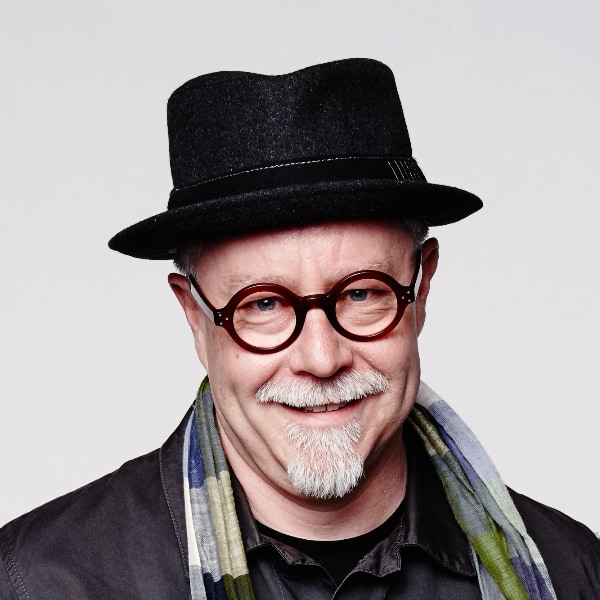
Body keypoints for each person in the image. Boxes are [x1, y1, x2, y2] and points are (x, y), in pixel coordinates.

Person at [1, 58, 598, 600]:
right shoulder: (44, 582)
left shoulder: (574, 572)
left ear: (423, 287)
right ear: (194, 316)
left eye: (363, 292)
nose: (320, 357)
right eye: (262, 305)